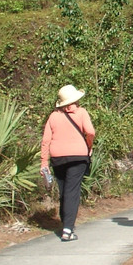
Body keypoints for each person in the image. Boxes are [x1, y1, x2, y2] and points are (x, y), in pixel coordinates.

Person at [40, 84, 95, 242]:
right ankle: (68, 229)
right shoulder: (82, 113)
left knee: (64, 190)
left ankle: (66, 222)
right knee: (72, 191)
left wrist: (44, 162)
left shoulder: (53, 116)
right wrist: (88, 145)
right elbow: (90, 132)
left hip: (58, 158)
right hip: (78, 156)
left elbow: (46, 141)